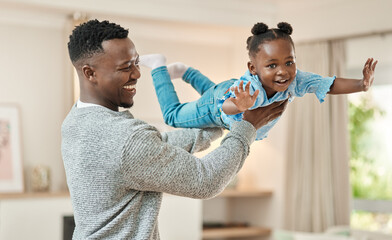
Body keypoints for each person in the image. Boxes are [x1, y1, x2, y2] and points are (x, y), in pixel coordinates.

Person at [61, 19, 288, 240]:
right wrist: (246, 126)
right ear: (90, 73)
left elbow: (155, 146)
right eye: (126, 67)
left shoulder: (75, 121)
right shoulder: (127, 140)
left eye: (136, 63)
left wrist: (221, 121)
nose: (138, 74)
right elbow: (205, 180)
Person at [140, 22, 378, 140]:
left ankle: (186, 71)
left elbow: (328, 84)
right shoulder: (251, 87)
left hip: (227, 91)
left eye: (289, 62)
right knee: (173, 115)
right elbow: (225, 105)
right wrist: (239, 106)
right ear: (253, 68)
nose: (283, 72)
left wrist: (361, 85)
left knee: (213, 89)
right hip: (219, 105)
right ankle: (159, 67)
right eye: (272, 65)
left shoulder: (296, 79)